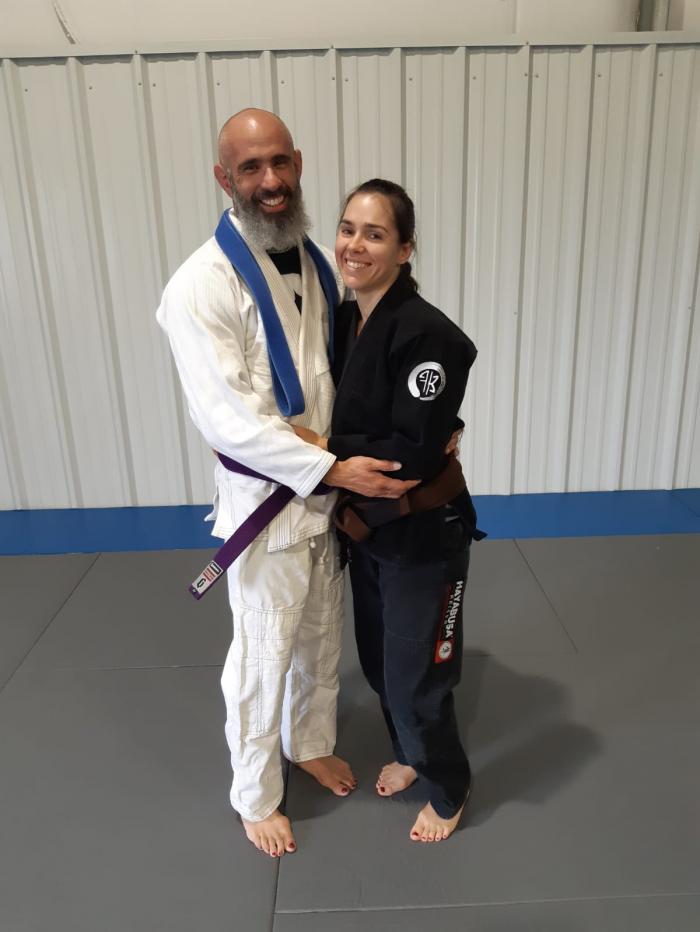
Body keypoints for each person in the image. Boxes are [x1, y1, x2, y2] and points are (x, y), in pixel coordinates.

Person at [156, 112, 417, 859]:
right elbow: (229, 419)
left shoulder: (314, 257)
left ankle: (309, 743)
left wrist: (425, 425)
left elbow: (349, 363)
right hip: (269, 504)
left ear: (298, 163)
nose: (269, 181)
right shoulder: (199, 286)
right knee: (263, 652)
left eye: (279, 163)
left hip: (325, 495)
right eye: (250, 168)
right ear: (224, 178)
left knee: (320, 633)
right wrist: (329, 463)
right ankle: (254, 794)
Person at [293, 179, 483, 843]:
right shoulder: (345, 321)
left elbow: (408, 456)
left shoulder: (431, 337)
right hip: (367, 530)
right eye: (348, 229)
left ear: (405, 249)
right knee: (378, 664)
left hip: (424, 534)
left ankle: (449, 784)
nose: (355, 244)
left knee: (417, 676)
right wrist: (328, 454)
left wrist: (315, 448)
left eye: (374, 234)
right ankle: (409, 750)